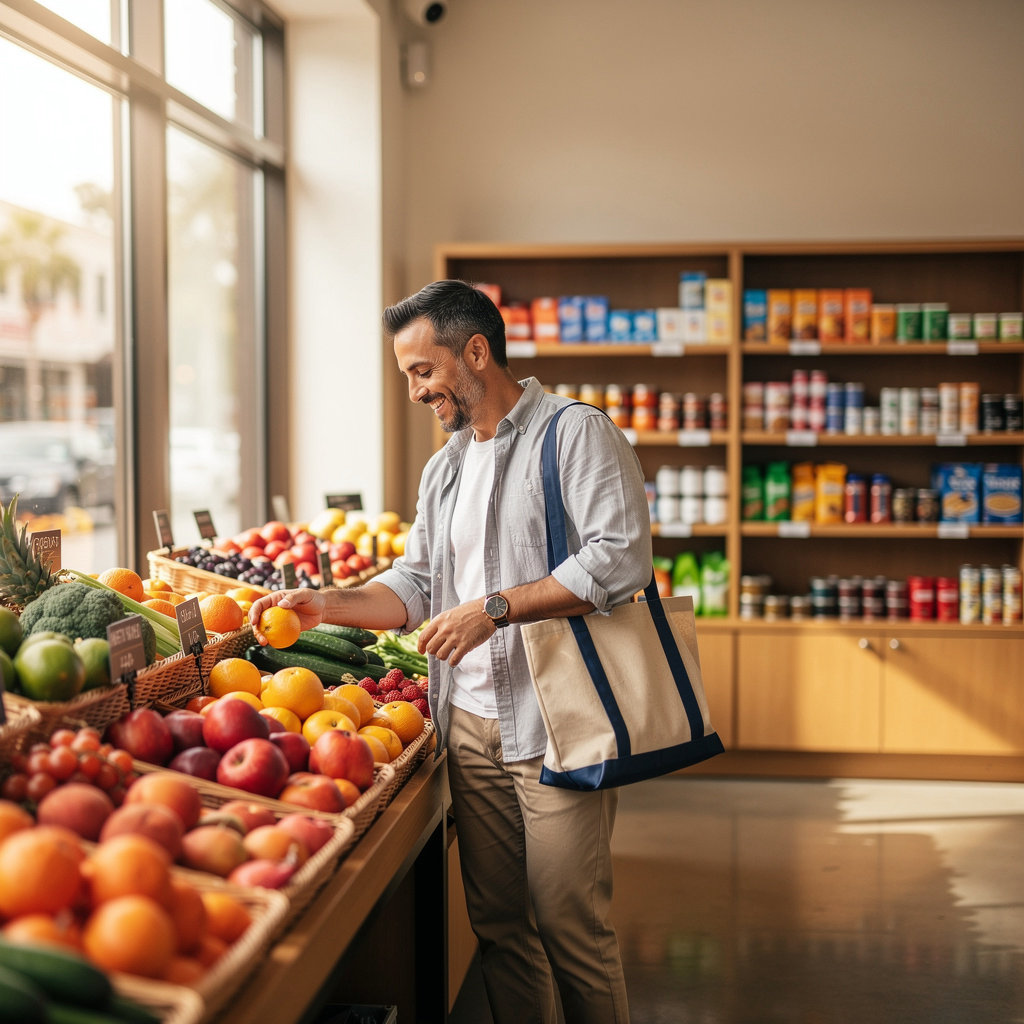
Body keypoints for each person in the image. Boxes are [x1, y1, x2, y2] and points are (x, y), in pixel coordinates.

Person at [249, 279, 652, 1024]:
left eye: (422, 372)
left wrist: (495, 610)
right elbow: (420, 583)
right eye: (406, 376)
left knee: (573, 931)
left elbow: (619, 560)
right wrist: (323, 605)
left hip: (554, 720)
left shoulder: (576, 434)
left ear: (475, 352)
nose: (413, 392)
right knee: (501, 930)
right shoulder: (447, 467)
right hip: (465, 723)